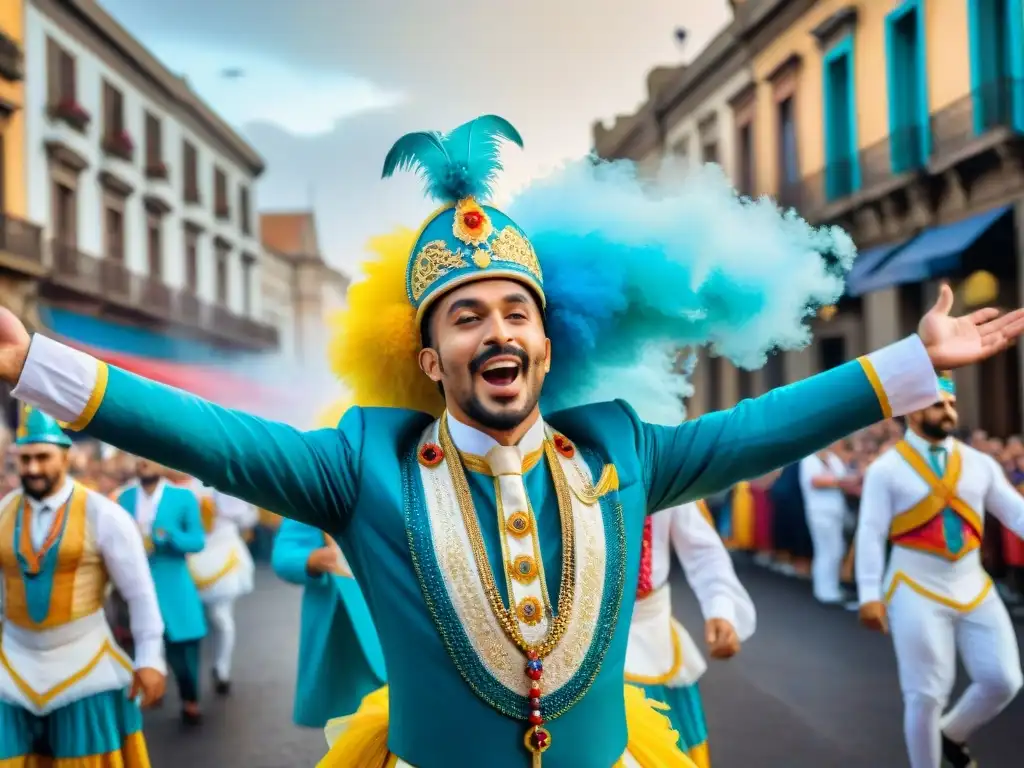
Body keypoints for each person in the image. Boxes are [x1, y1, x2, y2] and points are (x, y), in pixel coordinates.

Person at [1, 114, 1022, 767]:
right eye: (465, 316)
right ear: (430, 357)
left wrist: (909, 364)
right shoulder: (360, 464)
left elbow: (754, 430)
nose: (496, 331)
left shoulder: (620, 447)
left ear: (547, 338)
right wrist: (33, 362)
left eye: (514, 312)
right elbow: (205, 433)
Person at [856, 374, 1024, 768]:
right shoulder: (886, 469)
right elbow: (870, 532)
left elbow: (1014, 512)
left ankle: (951, 734)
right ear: (911, 411)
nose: (947, 412)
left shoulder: (978, 462)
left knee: (1004, 680)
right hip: (914, 586)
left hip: (974, 585)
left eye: (950, 404)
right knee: (926, 694)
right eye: (936, 404)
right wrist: (868, 595)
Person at [0, 406, 165, 765]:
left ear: (64, 456)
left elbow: (138, 593)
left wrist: (150, 659)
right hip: (12, 664)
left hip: (84, 664)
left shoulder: (103, 514)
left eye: (42, 457)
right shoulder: (3, 512)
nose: (32, 468)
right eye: (25, 458)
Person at [625, 500, 755, 767]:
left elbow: (703, 550)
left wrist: (720, 607)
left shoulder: (662, 462)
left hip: (651, 638)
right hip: (569, 643)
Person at [117, 459, 207, 725]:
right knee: (140, 642)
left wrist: (168, 537)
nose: (143, 461)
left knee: (184, 649)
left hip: (174, 584)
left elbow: (198, 541)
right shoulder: (125, 498)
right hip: (135, 583)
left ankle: (190, 698)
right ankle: (149, 690)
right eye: (137, 456)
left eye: (149, 455)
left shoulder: (182, 497)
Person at [272, 517, 386, 728]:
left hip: (412, 618)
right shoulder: (317, 489)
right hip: (348, 628)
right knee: (360, 727)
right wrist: (314, 559)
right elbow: (284, 555)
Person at [187, 483, 258, 695]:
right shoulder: (188, 485)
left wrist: (231, 510)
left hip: (225, 554)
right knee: (196, 620)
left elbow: (248, 518)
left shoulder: (229, 482)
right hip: (194, 555)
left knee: (221, 616)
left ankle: (222, 668)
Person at [800, 442, 857, 607]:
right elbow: (816, 481)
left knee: (836, 550)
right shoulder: (809, 459)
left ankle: (831, 587)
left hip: (836, 512)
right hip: (820, 512)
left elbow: (844, 478)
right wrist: (842, 481)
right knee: (826, 551)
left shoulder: (833, 459)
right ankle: (824, 591)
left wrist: (843, 480)